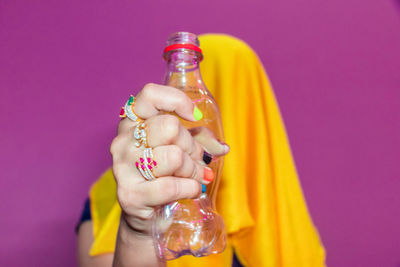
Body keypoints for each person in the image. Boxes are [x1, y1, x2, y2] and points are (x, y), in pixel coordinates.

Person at [76, 34, 326, 267]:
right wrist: (138, 232)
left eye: (234, 103)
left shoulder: (281, 204)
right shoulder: (125, 191)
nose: (206, 127)